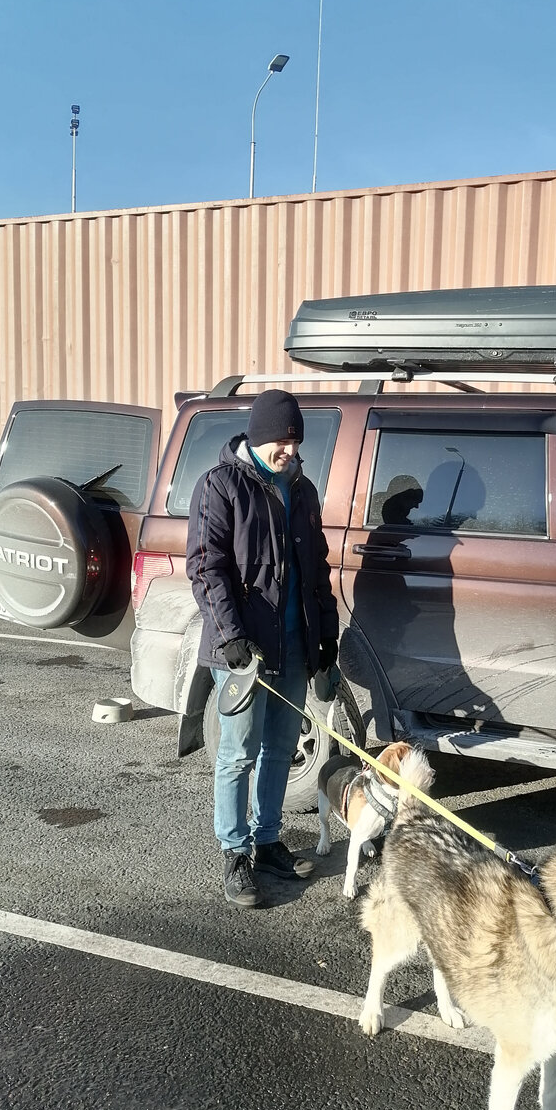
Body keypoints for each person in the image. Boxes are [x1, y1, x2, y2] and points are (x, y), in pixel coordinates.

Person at [186, 389, 339, 908]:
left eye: (295, 443)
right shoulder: (221, 486)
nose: (290, 453)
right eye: (282, 442)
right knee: (237, 753)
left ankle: (268, 840)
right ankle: (235, 853)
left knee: (278, 749)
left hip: (294, 642)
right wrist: (230, 638)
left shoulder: (303, 490)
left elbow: (317, 570)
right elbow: (207, 569)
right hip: (245, 649)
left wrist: (327, 639)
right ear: (257, 436)